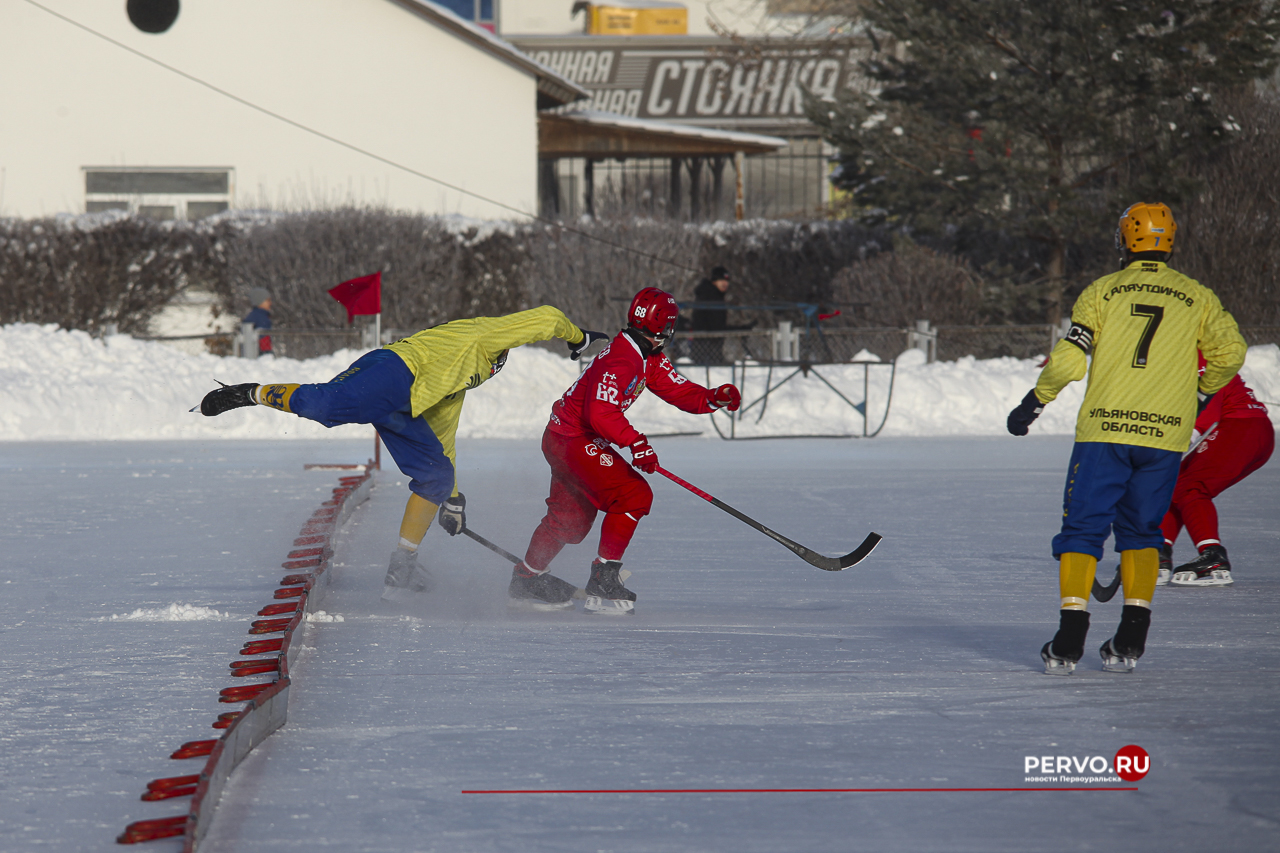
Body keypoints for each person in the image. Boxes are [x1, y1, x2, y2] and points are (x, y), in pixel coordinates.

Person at [198, 305, 609, 601]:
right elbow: (548, 317)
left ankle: (403, 568)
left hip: (407, 404)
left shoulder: (459, 381)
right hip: (394, 370)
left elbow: (443, 440)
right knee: (327, 407)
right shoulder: (484, 335)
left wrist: (451, 497)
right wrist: (579, 338)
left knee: (434, 475)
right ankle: (250, 392)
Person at [1006, 202, 1247, 675]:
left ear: (1124, 240)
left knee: (1082, 530)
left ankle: (1069, 637)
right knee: (1142, 533)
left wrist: (1035, 401)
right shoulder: (1197, 295)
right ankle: (1132, 635)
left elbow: (1069, 360)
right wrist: (1200, 393)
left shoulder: (1102, 291)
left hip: (1105, 432)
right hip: (1163, 437)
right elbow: (1231, 352)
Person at [509, 287, 741, 614]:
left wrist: (712, 398)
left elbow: (677, 389)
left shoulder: (647, 356)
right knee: (634, 494)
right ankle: (604, 577)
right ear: (663, 328)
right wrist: (636, 443)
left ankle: (526, 579)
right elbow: (600, 412)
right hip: (573, 439)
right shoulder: (622, 359)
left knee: (571, 521)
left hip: (565, 438)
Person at [1159, 360, 1272, 587]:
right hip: (1247, 427)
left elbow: (1209, 400)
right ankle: (1159, 550)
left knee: (1190, 486)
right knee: (1175, 480)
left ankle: (1212, 555)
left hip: (1242, 425)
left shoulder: (1195, 352)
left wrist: (1184, 440)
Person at [689, 265, 743, 364]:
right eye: (721, 280)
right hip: (706, 341)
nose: (725, 284)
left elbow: (718, 324)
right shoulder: (710, 295)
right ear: (714, 281)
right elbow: (715, 323)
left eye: (726, 281)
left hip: (711, 342)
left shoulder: (715, 295)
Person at [242, 288, 273, 356]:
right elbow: (264, 340)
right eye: (268, 300)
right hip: (258, 355)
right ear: (260, 301)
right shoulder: (261, 318)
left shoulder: (253, 315)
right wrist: (267, 355)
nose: (270, 303)